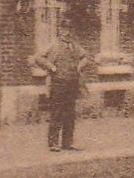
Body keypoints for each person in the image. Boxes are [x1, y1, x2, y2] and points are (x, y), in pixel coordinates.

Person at [30, 20, 94, 152]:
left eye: (70, 29)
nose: (67, 32)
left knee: (70, 114)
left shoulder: (74, 46)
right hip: (58, 83)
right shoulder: (53, 46)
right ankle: (53, 143)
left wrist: (79, 66)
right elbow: (38, 57)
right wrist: (52, 67)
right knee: (57, 113)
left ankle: (67, 143)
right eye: (65, 29)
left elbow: (87, 57)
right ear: (59, 30)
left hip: (72, 83)